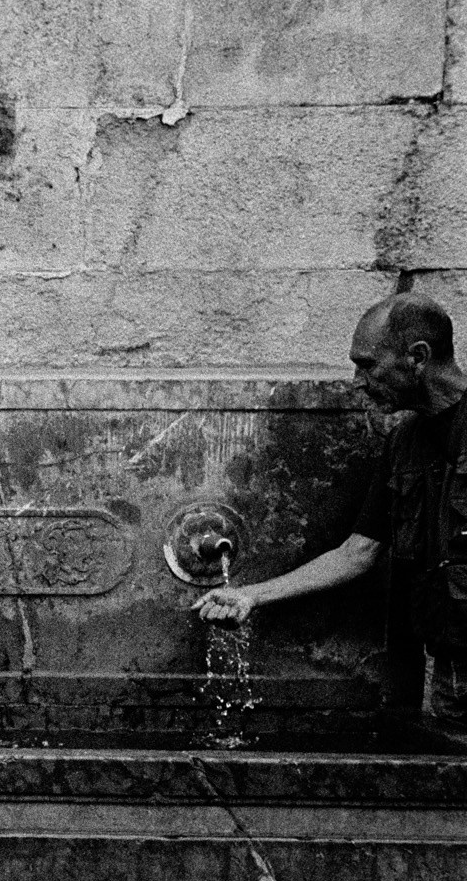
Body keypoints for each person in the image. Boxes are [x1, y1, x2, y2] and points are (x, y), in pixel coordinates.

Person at [195, 291, 467, 731]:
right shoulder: (403, 444)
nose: (357, 381)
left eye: (368, 365)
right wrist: (251, 595)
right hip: (447, 678)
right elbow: (357, 553)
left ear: (417, 357)